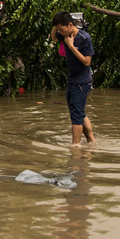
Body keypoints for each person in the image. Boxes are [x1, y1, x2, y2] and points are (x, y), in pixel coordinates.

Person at [51, 12, 95, 146]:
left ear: (70, 25)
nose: (60, 33)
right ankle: (92, 141)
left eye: (61, 29)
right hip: (72, 80)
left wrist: (71, 46)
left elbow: (87, 62)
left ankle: (76, 146)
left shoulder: (84, 38)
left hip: (82, 82)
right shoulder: (65, 34)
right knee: (78, 112)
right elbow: (53, 38)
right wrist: (55, 25)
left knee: (76, 114)